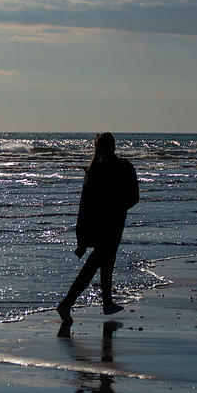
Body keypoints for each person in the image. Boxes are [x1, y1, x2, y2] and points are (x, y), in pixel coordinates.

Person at [57, 132, 138, 328]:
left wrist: (81, 238)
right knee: (97, 264)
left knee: (104, 263)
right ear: (113, 147)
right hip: (114, 223)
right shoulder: (123, 166)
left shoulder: (94, 170)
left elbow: (84, 206)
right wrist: (119, 207)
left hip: (98, 225)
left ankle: (106, 304)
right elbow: (134, 197)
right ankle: (67, 303)